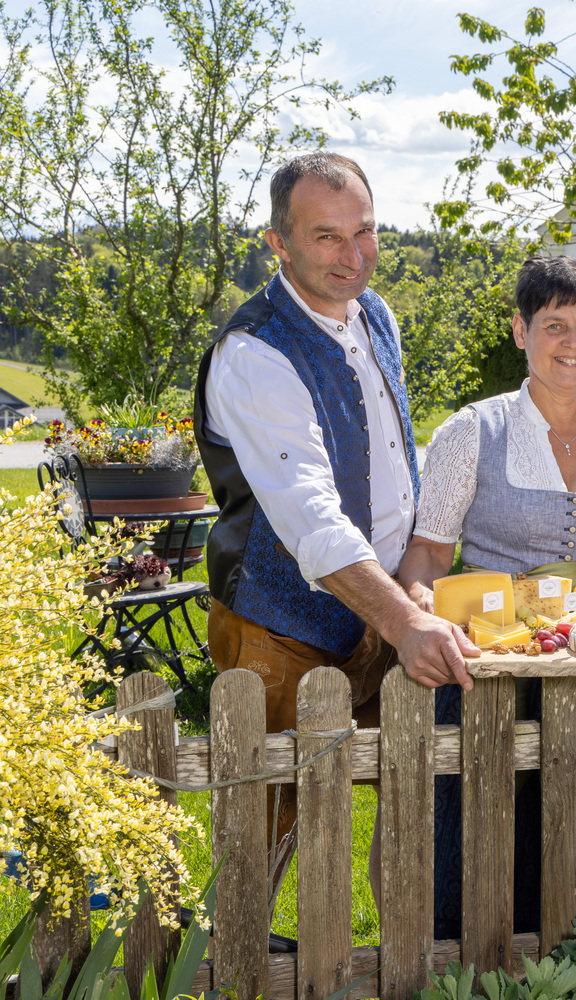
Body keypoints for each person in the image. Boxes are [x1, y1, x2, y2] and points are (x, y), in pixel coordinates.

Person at [194, 152, 478, 870]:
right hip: (279, 622)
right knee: (262, 829)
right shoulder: (254, 351)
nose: (352, 257)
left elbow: (388, 460)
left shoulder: (376, 314)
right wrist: (408, 619)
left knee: (416, 800)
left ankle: (412, 971)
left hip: (379, 612)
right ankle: (226, 975)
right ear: (277, 242)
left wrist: (409, 590)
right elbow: (311, 515)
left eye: (366, 232)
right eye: (326, 237)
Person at [398, 254, 576, 937]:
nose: (573, 343)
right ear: (521, 331)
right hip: (491, 670)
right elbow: (429, 555)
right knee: (488, 839)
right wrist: (422, 616)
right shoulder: (472, 430)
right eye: (555, 324)